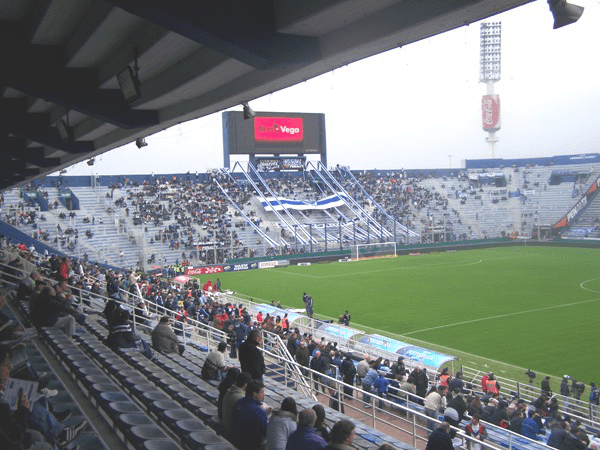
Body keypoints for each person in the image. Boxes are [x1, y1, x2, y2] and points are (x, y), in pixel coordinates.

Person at [232, 380, 270, 450]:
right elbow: (266, 432)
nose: (263, 394)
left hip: (238, 440)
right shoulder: (259, 412)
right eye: (262, 392)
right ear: (255, 394)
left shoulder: (239, 403)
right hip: (252, 445)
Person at [222, 372, 252, 439]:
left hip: (226, 424)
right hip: (231, 430)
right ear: (245, 385)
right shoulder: (240, 397)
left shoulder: (230, 391)